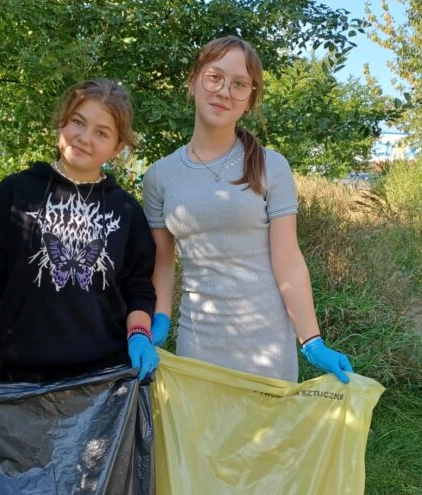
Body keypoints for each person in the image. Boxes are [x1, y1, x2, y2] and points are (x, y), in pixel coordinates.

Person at [141, 35, 352, 384]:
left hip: (267, 345)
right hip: (198, 342)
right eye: (214, 77)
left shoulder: (272, 166)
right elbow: (163, 261)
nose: (224, 91)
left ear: (250, 100)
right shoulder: (159, 175)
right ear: (193, 82)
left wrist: (312, 340)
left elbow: (288, 260)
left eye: (239, 84)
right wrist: (159, 320)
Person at [0, 79, 159, 389]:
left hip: (105, 381)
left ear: (117, 147)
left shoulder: (126, 211)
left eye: (101, 132)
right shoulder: (16, 194)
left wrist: (139, 336)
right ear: (62, 121)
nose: (85, 137)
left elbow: (138, 287)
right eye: (78, 122)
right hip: (22, 380)